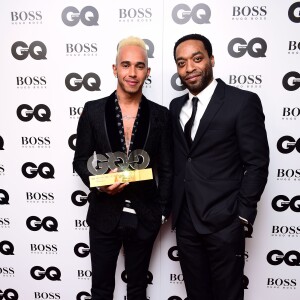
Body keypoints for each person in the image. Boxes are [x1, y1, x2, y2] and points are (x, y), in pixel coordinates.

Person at [169, 33, 269, 300]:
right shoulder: (175, 106)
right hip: (187, 221)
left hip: (225, 222)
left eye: (197, 59)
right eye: (181, 62)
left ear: (211, 60)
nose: (189, 68)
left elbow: (257, 163)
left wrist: (242, 216)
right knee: (196, 294)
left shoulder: (241, 101)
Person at [73, 36, 172, 300]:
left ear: (147, 72)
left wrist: (162, 213)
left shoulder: (161, 115)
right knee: (101, 290)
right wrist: (99, 182)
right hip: (104, 213)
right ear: (115, 68)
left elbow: (169, 168)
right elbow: (81, 159)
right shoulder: (93, 111)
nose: (132, 72)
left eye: (139, 66)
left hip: (145, 215)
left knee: (138, 290)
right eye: (125, 65)